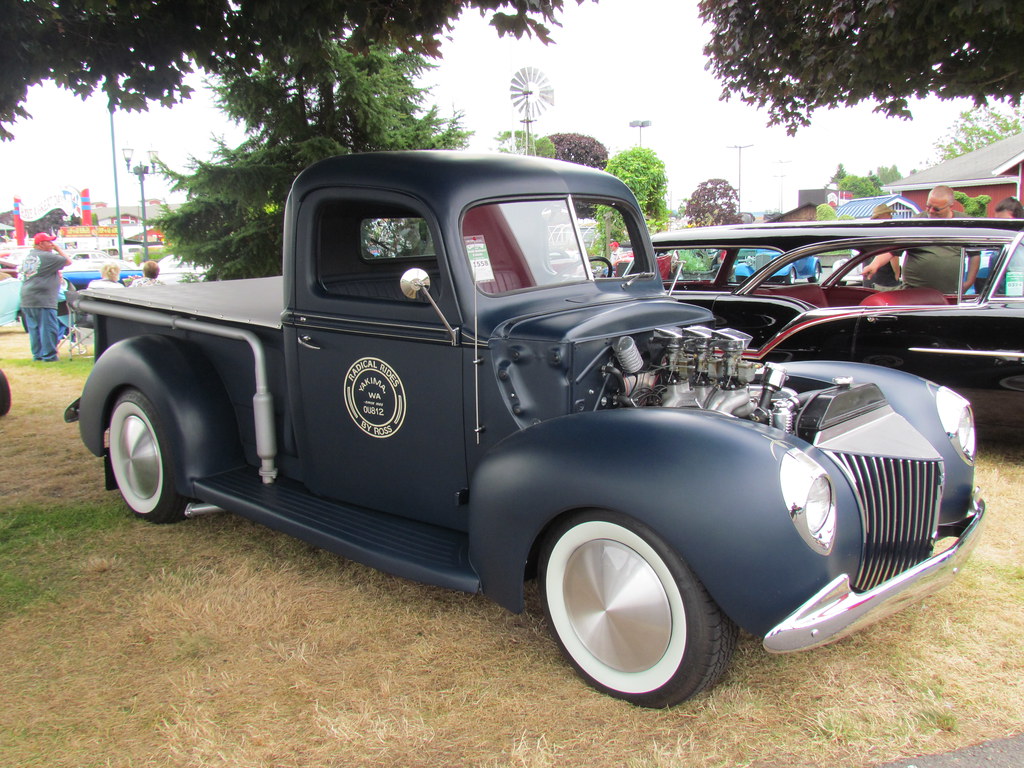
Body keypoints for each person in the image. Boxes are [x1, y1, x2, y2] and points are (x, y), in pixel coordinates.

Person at [902, 185, 977, 294]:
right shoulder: (915, 223)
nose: (931, 211)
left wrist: (969, 282)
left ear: (951, 206)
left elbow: (974, 255)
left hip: (950, 293)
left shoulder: (964, 223)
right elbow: (891, 251)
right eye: (928, 206)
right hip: (914, 292)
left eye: (936, 209)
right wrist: (876, 265)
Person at [19, 232, 72, 362]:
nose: (52, 244)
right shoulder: (47, 256)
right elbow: (68, 261)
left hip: (27, 297)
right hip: (42, 297)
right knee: (48, 328)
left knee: (34, 328)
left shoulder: (29, 256)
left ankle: (37, 355)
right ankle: (49, 356)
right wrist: (58, 249)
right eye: (49, 242)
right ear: (41, 244)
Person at [860, 204, 901, 290]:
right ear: (881, 216)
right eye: (889, 214)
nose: (891, 216)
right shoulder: (888, 233)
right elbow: (894, 256)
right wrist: (897, 274)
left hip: (869, 279)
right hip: (886, 282)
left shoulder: (868, 234)